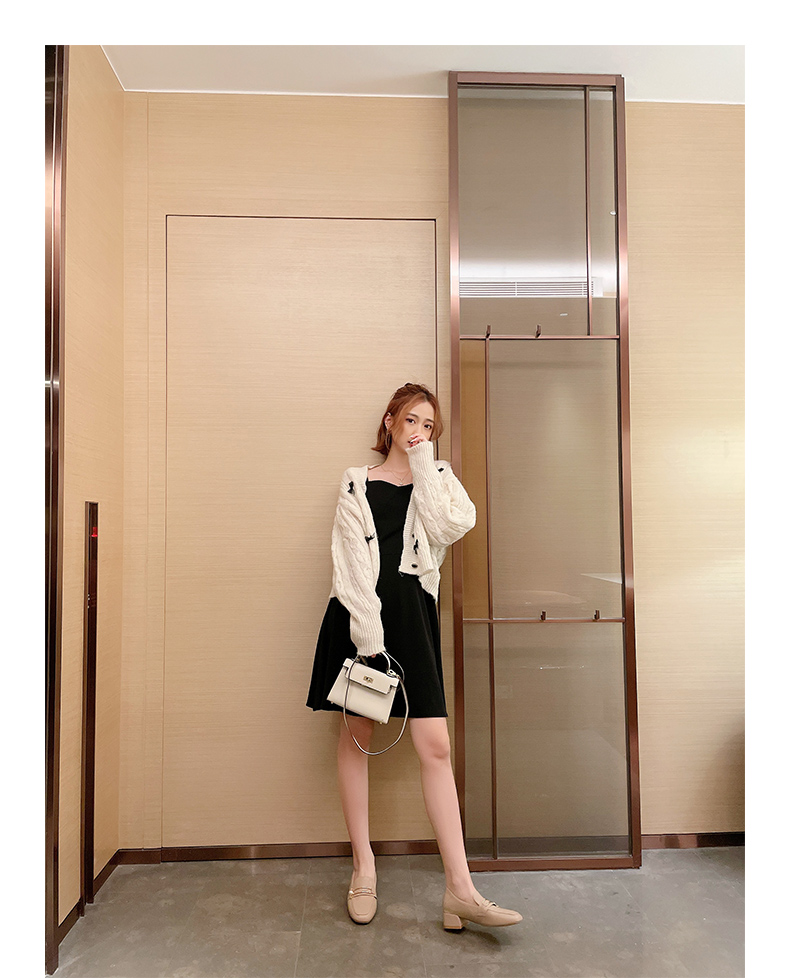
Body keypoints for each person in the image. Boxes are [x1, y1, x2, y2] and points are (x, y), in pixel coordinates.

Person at [306, 382, 523, 931]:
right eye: (410, 420)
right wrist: (368, 638)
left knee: (436, 747)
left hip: (414, 618)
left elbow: (451, 526)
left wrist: (424, 465)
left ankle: (460, 889)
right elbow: (349, 561)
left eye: (428, 425)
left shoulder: (439, 477)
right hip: (361, 621)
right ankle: (363, 869)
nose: (419, 431)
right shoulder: (356, 481)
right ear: (390, 421)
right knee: (357, 737)